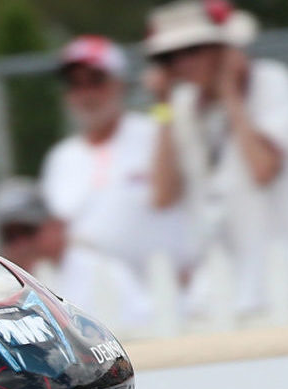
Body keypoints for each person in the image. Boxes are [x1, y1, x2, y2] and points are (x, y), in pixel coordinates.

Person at [146, 1, 288, 315]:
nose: (182, 64)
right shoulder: (182, 106)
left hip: (284, 285)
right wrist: (163, 107)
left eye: (193, 50)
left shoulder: (271, 82)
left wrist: (230, 94)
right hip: (217, 292)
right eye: (169, 57)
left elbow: (263, 169)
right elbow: (162, 195)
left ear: (223, 48)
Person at [41, 36, 190, 287]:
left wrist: (164, 105)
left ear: (119, 84)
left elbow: (167, 196)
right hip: (95, 302)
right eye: (75, 84)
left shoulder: (154, 132)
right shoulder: (60, 158)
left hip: (162, 295)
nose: (85, 93)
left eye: (95, 81)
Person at [0, 178, 152, 329]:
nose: (21, 244)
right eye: (10, 235)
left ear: (55, 225)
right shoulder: (0, 288)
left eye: (27, 231)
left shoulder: (105, 272)